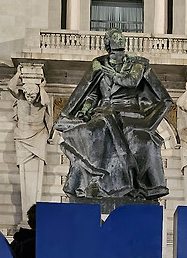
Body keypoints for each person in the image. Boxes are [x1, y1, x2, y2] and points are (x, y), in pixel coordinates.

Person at [55, 26, 173, 201]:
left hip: (129, 113)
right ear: (108, 46)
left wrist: (109, 72)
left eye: (120, 46)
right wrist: (85, 110)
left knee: (120, 133)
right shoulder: (99, 66)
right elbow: (93, 94)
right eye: (114, 46)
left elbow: (131, 82)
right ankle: (96, 178)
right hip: (103, 111)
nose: (118, 49)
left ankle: (112, 181)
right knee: (90, 130)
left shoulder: (136, 64)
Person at [7, 68, 54, 211]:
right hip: (22, 136)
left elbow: (45, 102)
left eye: (32, 95)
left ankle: (32, 212)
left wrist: (42, 87)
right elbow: (10, 87)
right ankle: (28, 212)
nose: (29, 97)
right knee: (24, 175)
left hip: (38, 135)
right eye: (28, 94)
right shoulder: (20, 97)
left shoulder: (41, 100)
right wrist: (18, 74)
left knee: (36, 176)